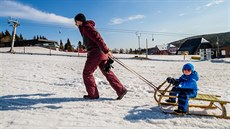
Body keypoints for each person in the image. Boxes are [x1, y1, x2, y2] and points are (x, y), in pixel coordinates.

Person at [74, 13, 127, 100]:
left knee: (87, 73)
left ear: (79, 21)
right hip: (100, 53)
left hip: (95, 53)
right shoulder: (84, 28)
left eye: (76, 22)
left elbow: (98, 38)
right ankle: (121, 90)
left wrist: (106, 50)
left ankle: (93, 94)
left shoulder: (87, 28)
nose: (75, 24)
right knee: (107, 72)